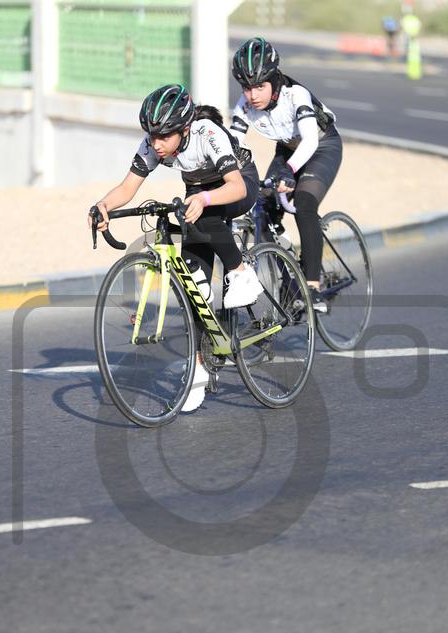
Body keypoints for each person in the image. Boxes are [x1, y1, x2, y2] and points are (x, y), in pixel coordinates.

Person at [88, 84, 261, 412]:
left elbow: (236, 187)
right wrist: (103, 205)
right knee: (193, 285)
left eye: (164, 137)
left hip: (238, 184)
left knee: (205, 213)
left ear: (184, 129)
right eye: (152, 136)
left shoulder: (206, 133)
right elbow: (127, 187)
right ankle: (199, 368)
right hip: (199, 191)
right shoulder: (154, 144)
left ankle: (241, 272)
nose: (156, 144)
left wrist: (205, 198)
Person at [230, 37, 342, 312]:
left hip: (321, 146)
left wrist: (290, 171)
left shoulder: (295, 94)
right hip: (288, 149)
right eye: (247, 88)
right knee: (262, 207)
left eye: (259, 86)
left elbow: (310, 141)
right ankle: (290, 280)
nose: (253, 95)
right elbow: (232, 145)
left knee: (304, 203)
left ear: (274, 80)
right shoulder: (244, 105)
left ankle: (313, 287)